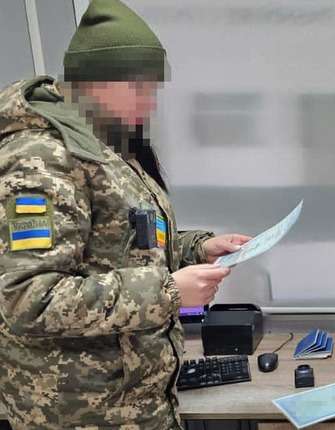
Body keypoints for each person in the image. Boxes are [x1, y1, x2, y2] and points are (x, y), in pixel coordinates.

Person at [0, 0, 250, 428]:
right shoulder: (40, 158)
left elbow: (124, 243)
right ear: (91, 81)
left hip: (133, 404)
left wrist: (197, 248)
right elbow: (29, 298)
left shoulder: (105, 144)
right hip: (81, 413)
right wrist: (168, 293)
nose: (149, 104)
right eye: (139, 88)